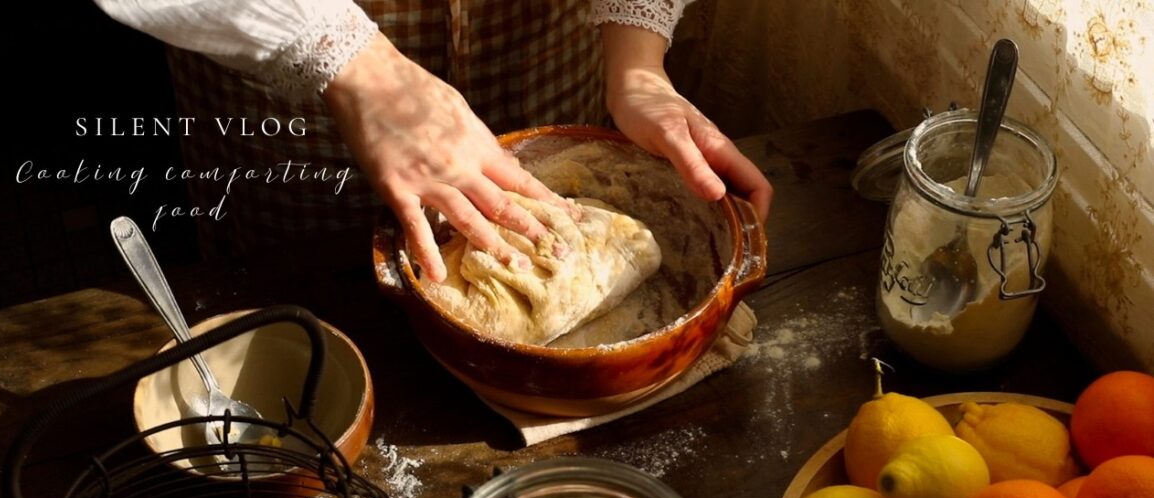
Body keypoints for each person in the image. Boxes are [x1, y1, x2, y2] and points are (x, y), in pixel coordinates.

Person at [95, 0, 773, 282]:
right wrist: (357, 68)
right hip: (298, 86)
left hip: (547, 52)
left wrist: (636, 63)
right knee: (310, 308)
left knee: (553, 223)